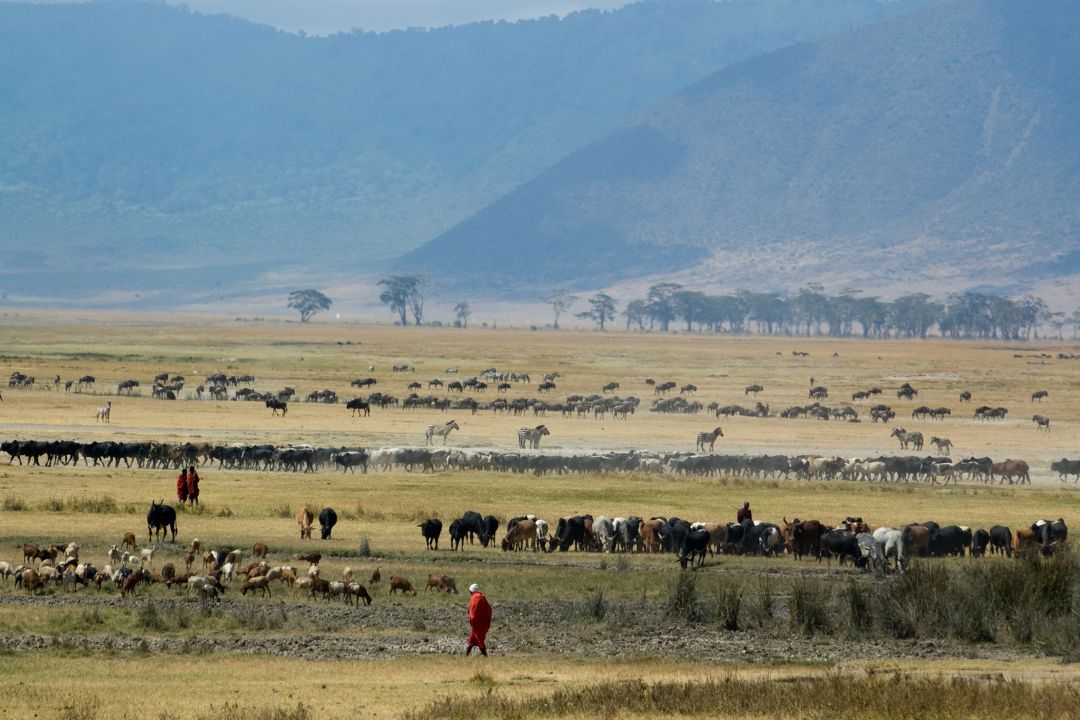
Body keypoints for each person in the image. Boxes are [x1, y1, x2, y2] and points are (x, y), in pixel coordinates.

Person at [466, 583, 492, 656]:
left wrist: (470, 613)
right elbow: (488, 609)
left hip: (478, 623)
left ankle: (486, 656)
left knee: (479, 639)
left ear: (471, 591)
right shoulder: (482, 597)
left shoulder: (474, 598)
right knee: (472, 638)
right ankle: (466, 655)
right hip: (483, 622)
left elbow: (474, 612)